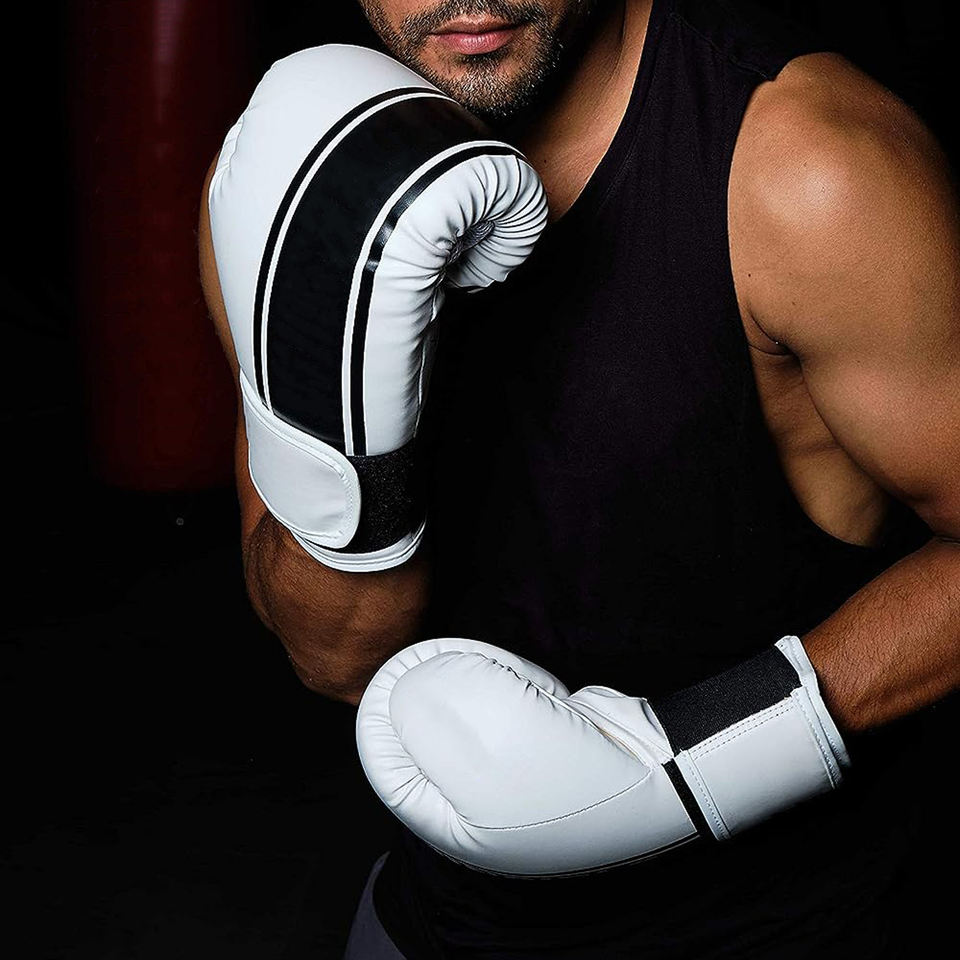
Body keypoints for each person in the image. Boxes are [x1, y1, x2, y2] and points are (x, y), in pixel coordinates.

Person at [198, 1, 960, 956]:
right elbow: (335, 659)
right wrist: (345, 430)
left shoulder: (806, 171)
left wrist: (699, 765)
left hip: (790, 928)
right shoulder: (284, 181)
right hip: (442, 924)